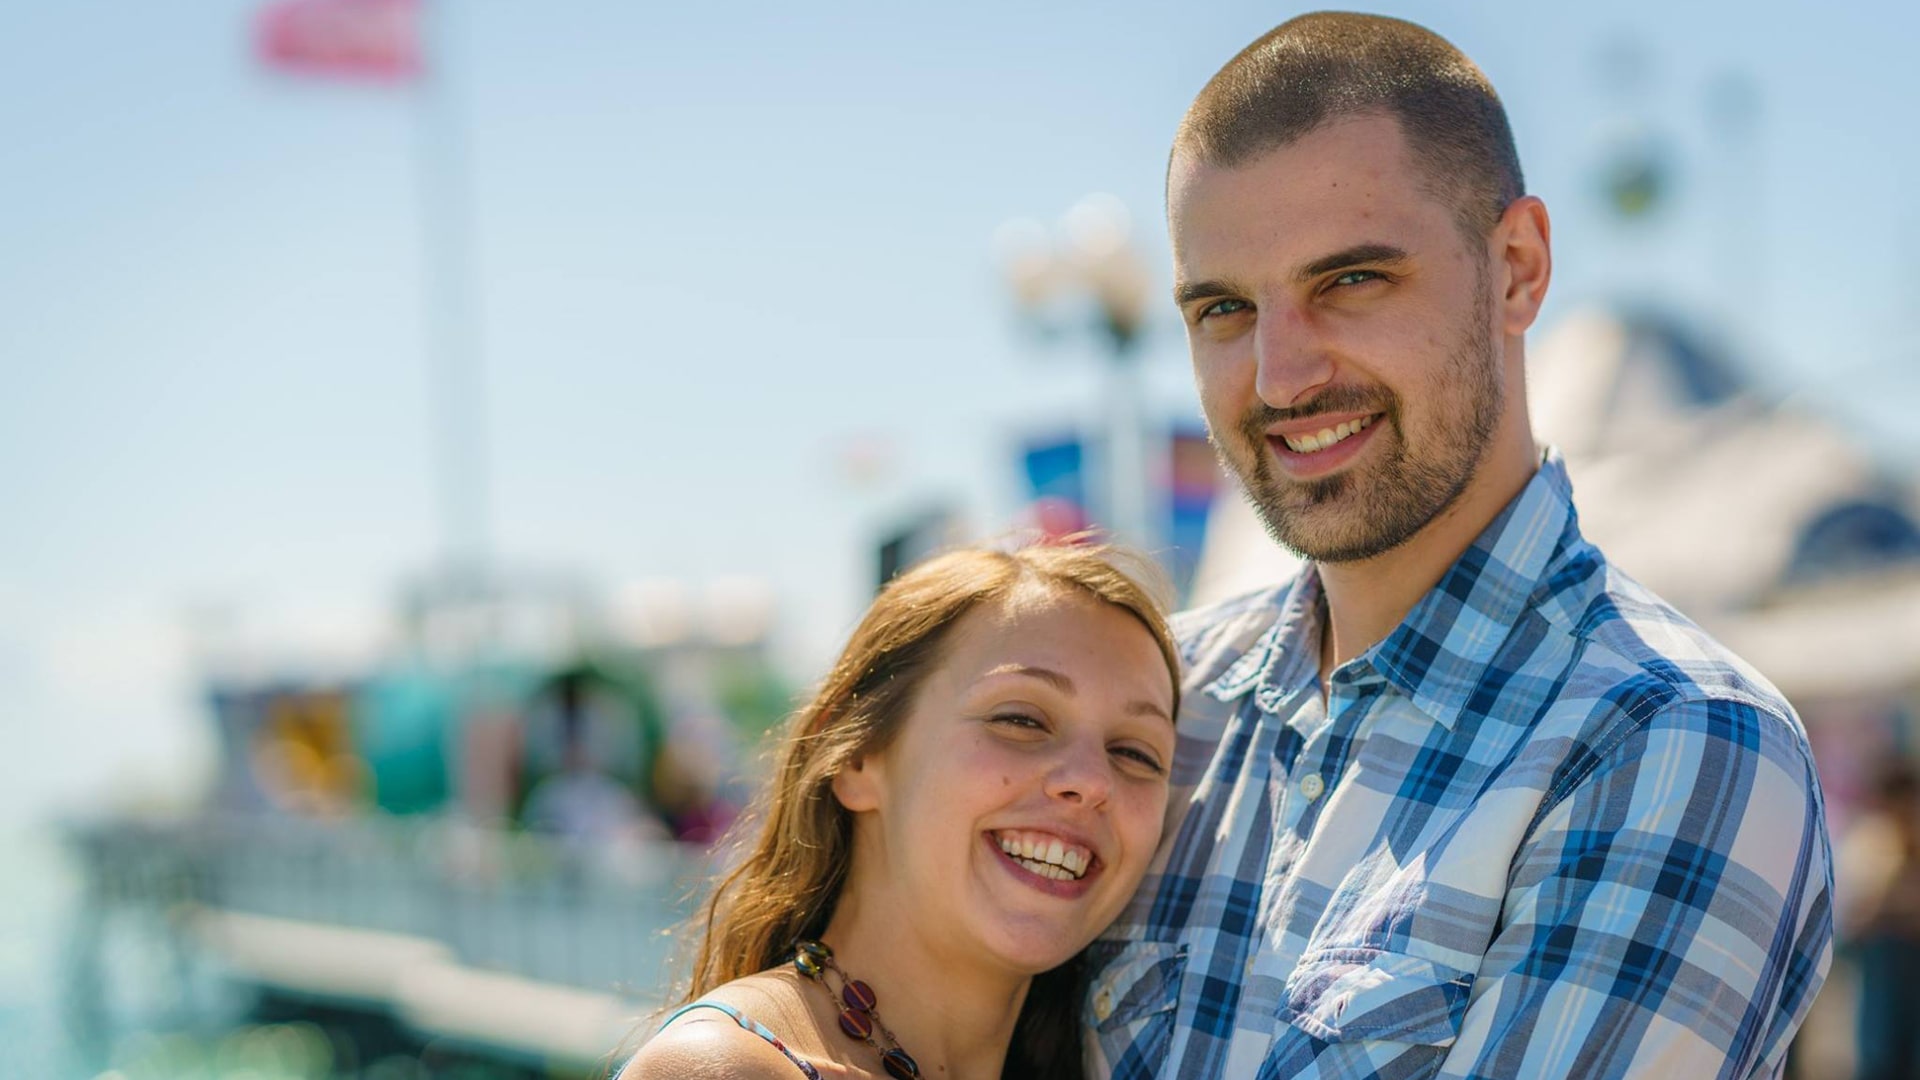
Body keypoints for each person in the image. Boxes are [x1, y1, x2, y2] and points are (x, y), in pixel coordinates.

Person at [1086, 12, 1833, 1079]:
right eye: (1223, 309)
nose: (1280, 376)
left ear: (1520, 269)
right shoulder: (1157, 706)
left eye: (1350, 281)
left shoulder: (1675, 743)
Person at [622, 543, 1182, 1080]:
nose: (1090, 780)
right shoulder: (732, 1071)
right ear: (857, 757)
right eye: (1021, 719)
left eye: (1136, 753)